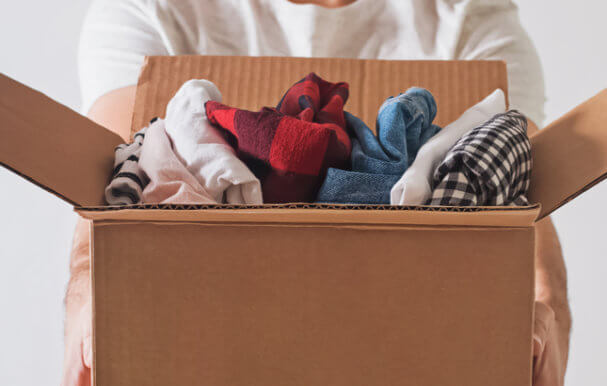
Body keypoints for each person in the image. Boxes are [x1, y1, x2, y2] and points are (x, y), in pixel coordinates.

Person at [63, 0, 571, 385]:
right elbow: (112, 197)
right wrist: (88, 287)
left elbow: (522, 208)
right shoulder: (149, 11)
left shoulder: (468, 19)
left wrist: (543, 304)